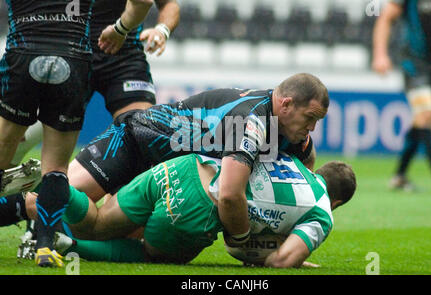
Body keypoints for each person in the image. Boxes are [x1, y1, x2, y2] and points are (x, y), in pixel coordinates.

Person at [67, 73, 329, 246]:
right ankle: (27, 201)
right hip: (134, 141)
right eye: (309, 118)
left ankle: (54, 239)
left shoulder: (294, 139)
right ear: (286, 105)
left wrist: (284, 242)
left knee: (109, 235)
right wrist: (242, 242)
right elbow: (228, 194)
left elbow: (298, 191)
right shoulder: (250, 120)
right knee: (66, 197)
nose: (312, 128)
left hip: (163, 173)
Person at [0, 0, 155, 267]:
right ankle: (45, 246)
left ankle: (23, 212)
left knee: (3, 156)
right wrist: (120, 29)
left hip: (23, 56)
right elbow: (143, 2)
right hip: (72, 59)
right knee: (56, 167)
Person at [3, 152, 356, 267]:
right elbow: (281, 260)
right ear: (337, 201)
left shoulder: (291, 159)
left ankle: (47, 179)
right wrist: (283, 254)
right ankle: (69, 247)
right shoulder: (322, 211)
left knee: (93, 221)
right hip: (197, 206)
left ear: (318, 170)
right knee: (155, 255)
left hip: (183, 166)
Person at [5, 0, 180, 169]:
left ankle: (81, 188)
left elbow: (168, 4)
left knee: (141, 134)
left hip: (122, 58)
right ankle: (29, 194)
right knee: (20, 142)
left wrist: (162, 30)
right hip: (74, 52)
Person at [372, 0, 431, 192]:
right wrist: (380, 54)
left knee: (422, 121)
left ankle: (399, 176)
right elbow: (385, 18)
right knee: (427, 113)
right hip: (414, 63)